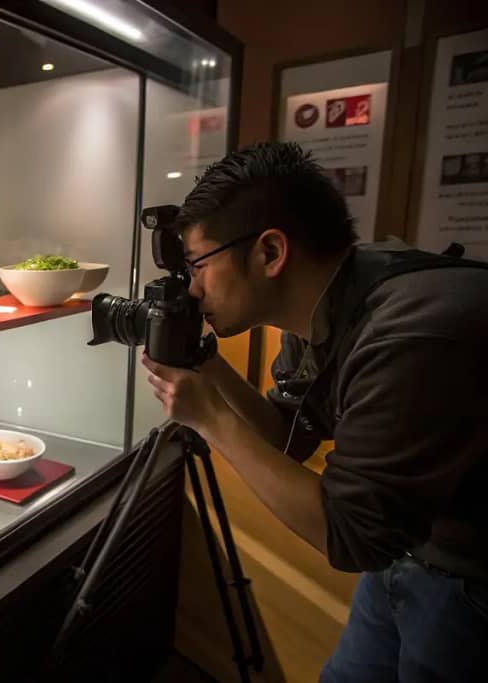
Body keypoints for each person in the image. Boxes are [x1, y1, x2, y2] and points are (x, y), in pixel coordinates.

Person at [142, 141, 488, 682]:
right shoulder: (332, 301)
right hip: (408, 553)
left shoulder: (409, 335)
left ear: (271, 253)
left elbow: (349, 535)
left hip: (470, 581)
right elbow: (289, 436)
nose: (192, 288)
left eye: (199, 266)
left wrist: (210, 418)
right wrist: (207, 366)